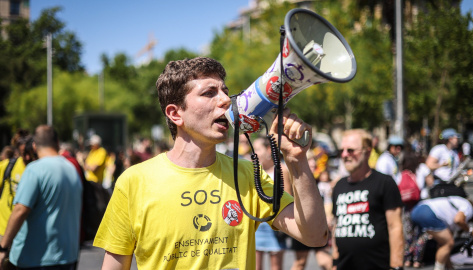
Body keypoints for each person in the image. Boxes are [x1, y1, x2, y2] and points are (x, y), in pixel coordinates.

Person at [93, 57, 328, 269]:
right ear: (176, 114)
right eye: (209, 93)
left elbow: (315, 236)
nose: (226, 100)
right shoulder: (134, 181)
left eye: (225, 91)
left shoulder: (248, 174)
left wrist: (297, 161)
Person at [0, 125, 83, 269]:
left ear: (34, 146)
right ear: (57, 143)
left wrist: (3, 247)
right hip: (68, 256)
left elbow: (20, 209)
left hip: (37, 259)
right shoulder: (72, 169)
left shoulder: (35, 169)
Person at [331, 129, 404, 270]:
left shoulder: (384, 182)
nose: (345, 155)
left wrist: (396, 265)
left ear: (367, 151)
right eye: (342, 150)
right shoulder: (339, 186)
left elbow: (395, 227)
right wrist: (334, 262)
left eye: (351, 150)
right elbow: (336, 226)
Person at [252, 136, 290, 270]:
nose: (254, 153)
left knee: (276, 266)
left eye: (257, 149)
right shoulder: (254, 170)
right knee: (255, 266)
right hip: (257, 224)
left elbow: (287, 196)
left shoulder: (281, 169)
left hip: (275, 224)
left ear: (269, 150)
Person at [410, 196, 473, 270]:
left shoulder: (458, 202)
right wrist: (470, 230)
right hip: (428, 212)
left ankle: (448, 267)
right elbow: (458, 220)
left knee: (444, 244)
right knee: (448, 243)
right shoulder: (468, 207)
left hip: (417, 209)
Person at [0, 130, 30, 242]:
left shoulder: (38, 169)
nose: (27, 157)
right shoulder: (8, 166)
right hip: (4, 229)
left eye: (29, 153)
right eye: (23, 153)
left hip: (26, 232)